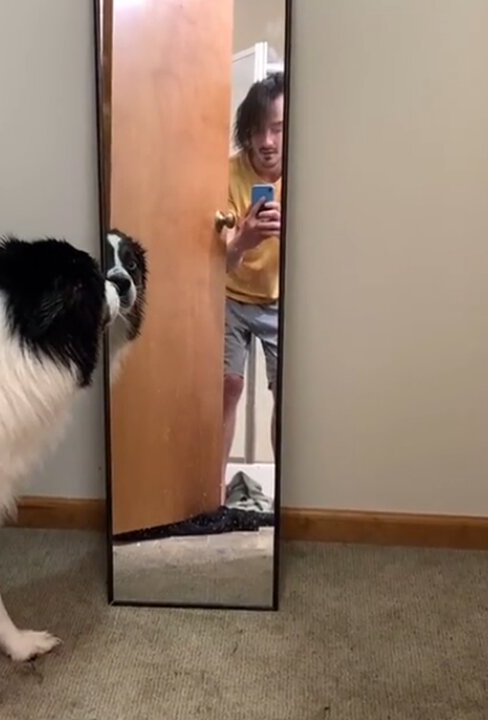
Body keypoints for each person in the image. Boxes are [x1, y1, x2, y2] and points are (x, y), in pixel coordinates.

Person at [220, 71, 284, 484]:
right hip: (232, 296)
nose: (267, 141)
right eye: (258, 130)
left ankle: (288, 496)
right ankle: (211, 491)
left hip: (282, 300)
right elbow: (217, 263)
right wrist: (241, 241)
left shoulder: (310, 171)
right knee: (228, 385)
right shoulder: (227, 173)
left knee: (288, 396)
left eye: (277, 128)